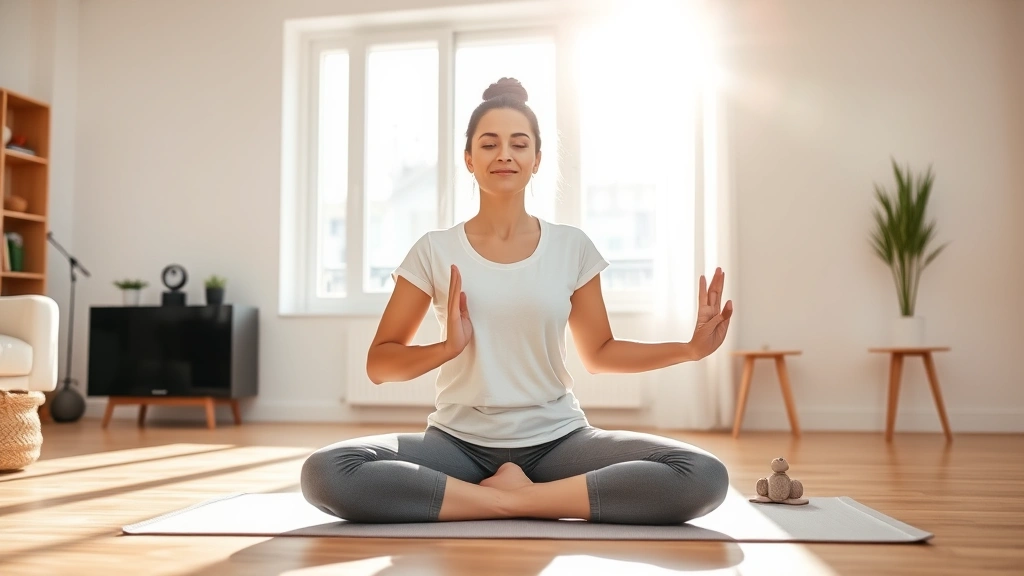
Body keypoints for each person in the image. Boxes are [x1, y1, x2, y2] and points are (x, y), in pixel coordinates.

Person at [300, 77, 734, 525]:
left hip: (559, 441)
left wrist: (689, 349)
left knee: (701, 475)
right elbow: (380, 364)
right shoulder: (434, 249)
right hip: (456, 444)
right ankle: (511, 499)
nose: (504, 154)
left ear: (537, 160)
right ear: (469, 159)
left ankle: (510, 500)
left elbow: (600, 353)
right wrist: (445, 348)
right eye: (488, 144)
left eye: (518, 144)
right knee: (327, 472)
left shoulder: (572, 247)